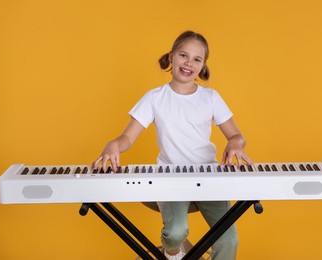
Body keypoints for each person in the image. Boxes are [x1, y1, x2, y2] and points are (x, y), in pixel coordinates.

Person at [92, 31, 252, 260]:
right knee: (175, 233)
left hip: (209, 175)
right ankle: (173, 252)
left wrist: (236, 143)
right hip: (170, 176)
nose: (189, 63)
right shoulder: (155, 98)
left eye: (197, 59)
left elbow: (236, 135)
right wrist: (113, 144)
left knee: (229, 240)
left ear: (203, 65)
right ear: (172, 57)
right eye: (183, 55)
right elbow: (127, 138)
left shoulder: (211, 97)